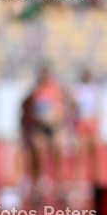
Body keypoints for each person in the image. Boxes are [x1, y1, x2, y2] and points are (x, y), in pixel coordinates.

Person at [23, 62, 70, 203]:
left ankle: (61, 189)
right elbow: (26, 106)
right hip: (40, 129)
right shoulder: (35, 90)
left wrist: (61, 119)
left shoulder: (57, 89)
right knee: (38, 158)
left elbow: (67, 104)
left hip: (55, 128)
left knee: (58, 158)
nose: (44, 77)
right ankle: (38, 189)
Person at [72, 68, 102, 190]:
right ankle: (78, 183)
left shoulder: (94, 89)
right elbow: (75, 107)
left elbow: (97, 108)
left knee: (94, 155)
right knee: (80, 154)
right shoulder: (78, 90)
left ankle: (94, 182)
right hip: (82, 123)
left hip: (91, 123)